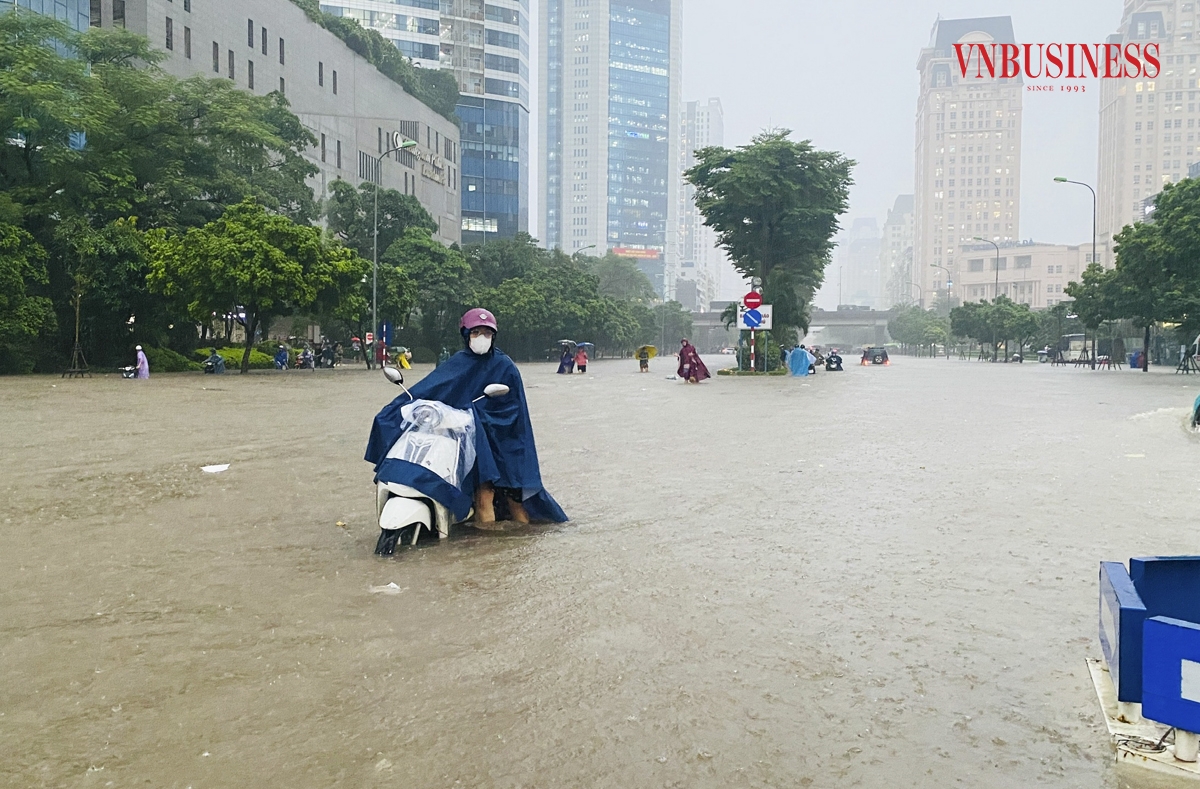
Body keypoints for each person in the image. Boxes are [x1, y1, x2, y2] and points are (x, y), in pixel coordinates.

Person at [366, 308, 567, 526]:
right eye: (476, 332)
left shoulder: (504, 366)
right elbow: (428, 391)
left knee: (514, 503)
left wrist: (476, 414)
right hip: (470, 443)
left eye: (487, 333)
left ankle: (510, 550)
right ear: (466, 334)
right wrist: (396, 409)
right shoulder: (457, 364)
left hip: (504, 445)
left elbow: (513, 411)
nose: (482, 338)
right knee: (483, 497)